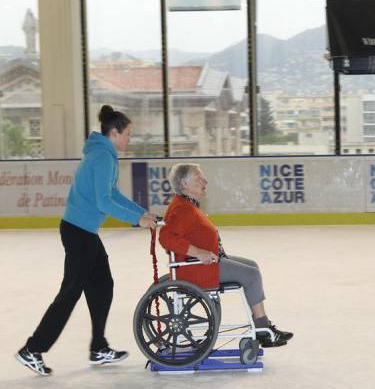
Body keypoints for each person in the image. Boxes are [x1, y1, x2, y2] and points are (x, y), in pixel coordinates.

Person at [16, 105, 158, 376]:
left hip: (84, 231)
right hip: (78, 231)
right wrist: (135, 220)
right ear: (114, 132)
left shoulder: (104, 153)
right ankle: (32, 349)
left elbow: (113, 194)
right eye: (127, 134)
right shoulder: (103, 156)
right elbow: (103, 201)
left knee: (102, 285)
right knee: (70, 292)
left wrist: (141, 213)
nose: (129, 140)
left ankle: (98, 347)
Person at [159, 163, 293, 347]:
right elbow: (166, 237)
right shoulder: (183, 209)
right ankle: (263, 329)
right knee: (251, 276)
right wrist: (198, 252)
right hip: (198, 268)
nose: (205, 181)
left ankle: (262, 327)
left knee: (252, 266)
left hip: (207, 262)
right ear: (184, 184)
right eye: (199, 178)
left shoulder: (187, 205)